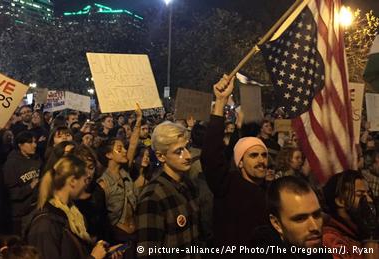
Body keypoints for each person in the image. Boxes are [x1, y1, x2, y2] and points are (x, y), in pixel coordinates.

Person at [201, 74, 269, 247]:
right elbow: (211, 155)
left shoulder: (271, 191)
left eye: (264, 155)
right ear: (239, 162)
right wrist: (220, 102)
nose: (261, 160)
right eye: (253, 155)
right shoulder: (227, 186)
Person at [26, 156, 121, 259]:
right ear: (72, 181)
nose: (86, 185)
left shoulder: (72, 214)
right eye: (85, 180)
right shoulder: (45, 225)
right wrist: (94, 257)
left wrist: (104, 254)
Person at [136, 121, 201, 258]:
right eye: (179, 151)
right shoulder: (152, 197)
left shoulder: (189, 185)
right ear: (161, 156)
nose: (188, 156)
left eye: (187, 148)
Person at [97, 106, 145, 258]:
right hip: (118, 237)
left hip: (137, 233)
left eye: (123, 148)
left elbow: (132, 144)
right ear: (109, 155)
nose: (125, 151)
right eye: (119, 149)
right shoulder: (102, 185)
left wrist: (138, 120)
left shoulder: (126, 173)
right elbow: (101, 219)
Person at [249, 176, 330, 259]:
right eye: (300, 219)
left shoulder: (322, 253)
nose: (314, 227)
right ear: (276, 223)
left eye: (317, 215)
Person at [322, 170, 379, 259]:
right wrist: (370, 237)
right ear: (341, 201)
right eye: (360, 195)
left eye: (368, 194)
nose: (369, 200)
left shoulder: (358, 231)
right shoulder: (331, 239)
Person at [3, 131, 41, 235]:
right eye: (30, 142)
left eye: (35, 142)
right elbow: (10, 193)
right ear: (20, 145)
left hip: (34, 210)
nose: (34, 145)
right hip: (19, 215)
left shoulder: (37, 159)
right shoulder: (12, 164)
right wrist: (30, 187)